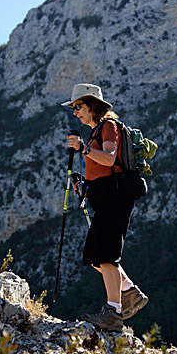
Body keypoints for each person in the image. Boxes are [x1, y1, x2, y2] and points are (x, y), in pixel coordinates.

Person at [62, 83, 148, 332]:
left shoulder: (109, 126)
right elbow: (101, 167)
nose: (75, 112)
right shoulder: (97, 130)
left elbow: (109, 158)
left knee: (106, 257)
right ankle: (130, 292)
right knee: (94, 256)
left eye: (78, 106)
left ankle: (113, 312)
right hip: (106, 198)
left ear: (92, 105)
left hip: (116, 197)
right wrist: (85, 185)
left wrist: (83, 149)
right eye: (74, 108)